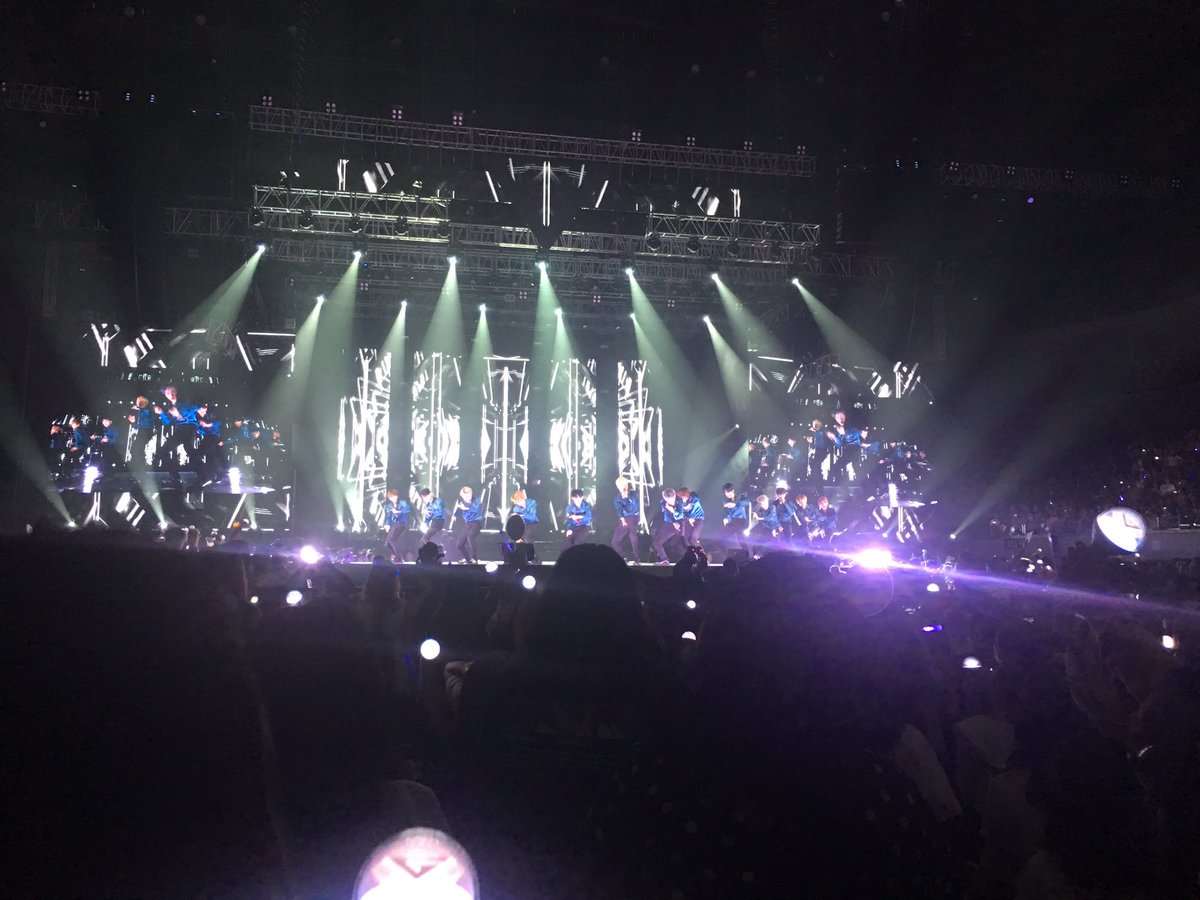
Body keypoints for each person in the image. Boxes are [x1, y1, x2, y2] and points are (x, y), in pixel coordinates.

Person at [154, 386, 199, 477]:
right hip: (179, 429)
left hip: (190, 426)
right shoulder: (169, 407)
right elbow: (168, 422)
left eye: (172, 391)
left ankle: (203, 472)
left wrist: (179, 414)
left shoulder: (185, 402)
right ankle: (175, 475)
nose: (171, 394)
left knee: (187, 446)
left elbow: (196, 408)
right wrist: (161, 413)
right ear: (166, 396)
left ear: (176, 392)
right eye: (168, 393)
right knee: (164, 450)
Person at [611, 476, 641, 562]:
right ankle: (623, 556)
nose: (624, 487)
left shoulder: (634, 494)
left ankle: (637, 557)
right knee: (615, 541)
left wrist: (628, 497)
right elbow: (619, 510)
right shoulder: (617, 498)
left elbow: (636, 506)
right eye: (621, 486)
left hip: (634, 516)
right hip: (624, 518)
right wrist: (622, 519)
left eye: (625, 485)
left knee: (632, 536)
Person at [652, 488, 685, 565]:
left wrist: (672, 510)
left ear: (675, 496)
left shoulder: (679, 501)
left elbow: (680, 515)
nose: (670, 502)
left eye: (672, 500)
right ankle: (665, 560)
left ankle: (691, 560)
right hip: (669, 524)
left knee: (681, 543)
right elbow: (667, 514)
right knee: (657, 543)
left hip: (679, 524)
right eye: (668, 500)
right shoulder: (663, 503)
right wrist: (673, 522)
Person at [195, 404, 225, 485]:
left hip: (214, 436)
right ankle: (211, 474)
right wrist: (200, 428)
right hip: (207, 437)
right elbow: (200, 427)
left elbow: (217, 423)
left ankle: (217, 474)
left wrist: (206, 425)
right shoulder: (199, 415)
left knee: (212, 456)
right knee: (207, 455)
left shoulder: (212, 414)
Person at [455, 486, 483, 564]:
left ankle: (474, 558)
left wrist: (467, 508)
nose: (469, 497)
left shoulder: (477, 500)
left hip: (477, 522)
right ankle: (468, 560)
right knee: (459, 544)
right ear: (463, 496)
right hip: (468, 523)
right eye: (466, 496)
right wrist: (455, 516)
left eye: (470, 494)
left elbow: (477, 509)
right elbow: (458, 511)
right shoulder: (462, 503)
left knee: (470, 537)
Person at [382, 489, 412, 562]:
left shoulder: (403, 503)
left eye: (395, 496)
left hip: (402, 523)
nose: (394, 498)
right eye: (392, 497)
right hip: (394, 525)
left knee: (392, 539)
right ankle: (398, 555)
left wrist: (398, 512)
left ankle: (398, 557)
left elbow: (408, 511)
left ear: (397, 496)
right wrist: (387, 524)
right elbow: (388, 517)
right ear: (389, 498)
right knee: (387, 544)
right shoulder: (389, 506)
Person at [720, 482, 749, 556]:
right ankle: (728, 555)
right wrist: (726, 519)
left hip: (741, 521)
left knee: (741, 539)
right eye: (726, 493)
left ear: (733, 490)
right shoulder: (725, 501)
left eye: (729, 491)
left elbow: (747, 502)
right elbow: (728, 513)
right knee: (720, 538)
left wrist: (735, 504)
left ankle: (748, 555)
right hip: (732, 522)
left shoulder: (740, 497)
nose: (728, 494)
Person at [807, 418, 829, 483]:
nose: (815, 425)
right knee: (814, 465)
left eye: (817, 424)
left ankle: (819, 481)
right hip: (814, 450)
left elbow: (823, 440)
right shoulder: (812, 432)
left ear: (820, 424)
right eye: (814, 424)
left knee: (816, 464)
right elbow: (811, 441)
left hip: (822, 450)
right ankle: (815, 479)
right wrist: (810, 441)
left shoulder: (822, 431)